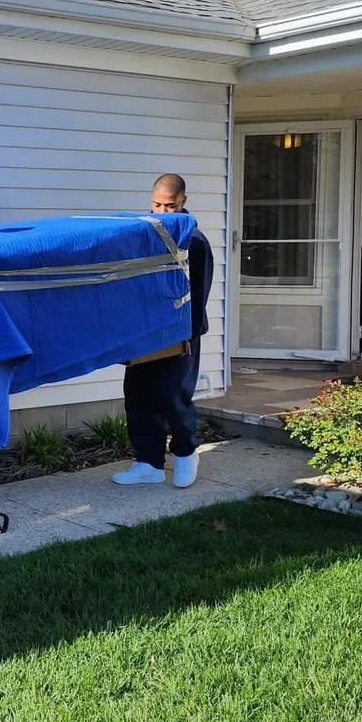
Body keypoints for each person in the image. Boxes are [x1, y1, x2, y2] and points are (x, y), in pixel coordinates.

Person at [113, 173, 215, 488]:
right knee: (138, 396)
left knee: (173, 396)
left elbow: (199, 292)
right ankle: (148, 463)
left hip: (180, 334)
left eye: (169, 206)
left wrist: (189, 334)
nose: (162, 211)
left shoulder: (194, 241)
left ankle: (186, 454)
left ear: (183, 201)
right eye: (156, 204)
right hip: (145, 332)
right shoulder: (146, 236)